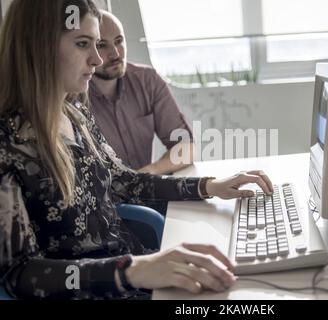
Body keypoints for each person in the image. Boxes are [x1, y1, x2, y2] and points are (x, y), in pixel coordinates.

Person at [0, 0, 273, 299]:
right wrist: (130, 271)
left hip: (133, 274)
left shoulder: (75, 113)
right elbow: (19, 274)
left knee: (247, 286)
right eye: (83, 44)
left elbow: (125, 180)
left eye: (98, 44)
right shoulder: (7, 143)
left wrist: (210, 186)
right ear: (38, 47)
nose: (97, 59)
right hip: (109, 287)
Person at [89, 10, 193, 176]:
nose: (115, 53)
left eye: (119, 41)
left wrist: (147, 173)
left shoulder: (147, 80)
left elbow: (186, 148)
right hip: (105, 198)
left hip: (145, 189)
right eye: (102, 45)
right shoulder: (72, 96)